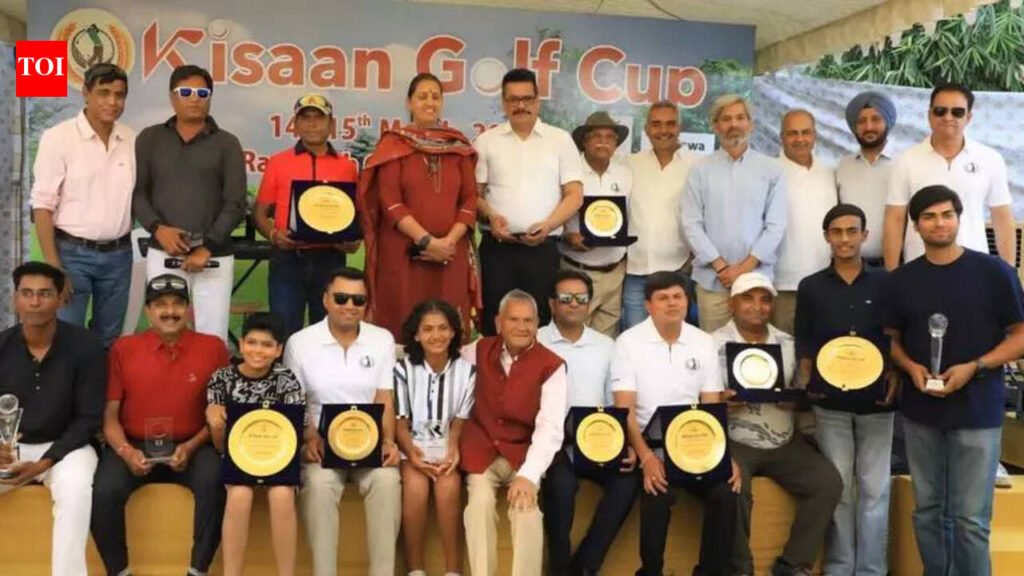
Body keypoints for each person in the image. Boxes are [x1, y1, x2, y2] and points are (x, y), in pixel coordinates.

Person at [884, 185, 1024, 576]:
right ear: (915, 226)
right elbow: (891, 339)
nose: (939, 223)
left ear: (960, 219)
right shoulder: (902, 280)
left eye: (947, 214)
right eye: (929, 217)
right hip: (921, 413)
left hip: (977, 412)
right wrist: (910, 367)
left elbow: (1020, 336)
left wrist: (976, 366)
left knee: (970, 520)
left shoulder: (994, 272)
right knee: (928, 512)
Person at [92, 274, 230, 576]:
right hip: (134, 444)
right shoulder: (124, 348)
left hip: (195, 444)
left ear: (189, 309)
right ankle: (119, 571)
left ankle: (198, 570)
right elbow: (109, 415)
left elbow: (221, 411)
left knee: (216, 480)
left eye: (178, 304)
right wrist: (126, 452)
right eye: (160, 305)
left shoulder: (213, 347)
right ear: (147, 311)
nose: (170, 311)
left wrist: (190, 446)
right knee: (103, 491)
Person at [611, 270, 740, 576]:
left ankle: (709, 572)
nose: (672, 303)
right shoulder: (628, 342)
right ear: (648, 305)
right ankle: (651, 571)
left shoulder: (703, 341)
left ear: (687, 301)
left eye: (677, 296)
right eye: (663, 298)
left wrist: (724, 457)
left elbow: (711, 406)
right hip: (650, 446)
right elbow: (624, 409)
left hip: (696, 446)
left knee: (725, 491)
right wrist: (646, 458)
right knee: (658, 492)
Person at [714, 272, 842, 576]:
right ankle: (740, 569)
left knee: (827, 483)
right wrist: (719, 402)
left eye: (765, 300)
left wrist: (796, 399)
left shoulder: (788, 344)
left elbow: (804, 393)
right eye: (747, 298)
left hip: (783, 439)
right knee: (732, 487)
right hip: (734, 440)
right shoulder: (711, 344)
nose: (757, 306)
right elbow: (697, 397)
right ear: (732, 304)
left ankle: (793, 564)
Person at [794, 204, 896, 576]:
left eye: (852, 231)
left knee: (875, 489)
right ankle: (839, 566)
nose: (844, 239)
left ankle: (871, 570)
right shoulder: (811, 286)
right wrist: (807, 376)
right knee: (840, 489)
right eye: (836, 232)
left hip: (878, 402)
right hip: (830, 403)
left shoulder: (887, 283)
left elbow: (897, 335)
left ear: (865, 235)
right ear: (826, 237)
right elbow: (804, 340)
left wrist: (896, 371)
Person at [285, 267, 401, 576]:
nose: (350, 305)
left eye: (358, 300)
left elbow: (384, 397)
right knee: (319, 486)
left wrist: (388, 441)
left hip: (370, 445)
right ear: (325, 299)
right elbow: (296, 401)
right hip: (322, 447)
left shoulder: (382, 339)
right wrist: (309, 439)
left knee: (387, 482)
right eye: (341, 298)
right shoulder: (300, 343)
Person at [0, 262, 105, 576]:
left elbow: (89, 418)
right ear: (15, 299)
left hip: (68, 448)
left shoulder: (86, 345)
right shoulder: (2, 346)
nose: (35, 302)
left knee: (75, 488)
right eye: (27, 293)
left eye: (44, 294)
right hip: (10, 447)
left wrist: (45, 462)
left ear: (60, 299)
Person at [359, 73, 480, 340]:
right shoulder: (394, 144)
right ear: (409, 103)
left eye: (435, 97)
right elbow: (390, 201)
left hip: (450, 253)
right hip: (403, 252)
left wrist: (447, 242)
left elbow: (470, 199)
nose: (429, 102)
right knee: (404, 319)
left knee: (447, 321)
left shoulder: (458, 147)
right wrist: (426, 241)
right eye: (422, 96)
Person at [133, 64, 247, 342]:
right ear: (172, 97)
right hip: (163, 251)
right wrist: (158, 228)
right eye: (185, 92)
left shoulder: (227, 143)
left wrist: (207, 247)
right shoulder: (149, 138)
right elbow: (137, 193)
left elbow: (235, 202)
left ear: (210, 97)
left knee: (213, 336)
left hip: (214, 256)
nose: (194, 98)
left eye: (202, 93)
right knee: (165, 331)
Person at [538, 270, 639, 576]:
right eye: (566, 298)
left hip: (598, 440)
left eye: (581, 298)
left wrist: (627, 444)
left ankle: (585, 565)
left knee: (627, 481)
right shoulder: (536, 340)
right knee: (560, 486)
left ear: (589, 304)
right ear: (552, 304)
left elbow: (615, 401)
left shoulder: (606, 345)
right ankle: (558, 568)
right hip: (552, 442)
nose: (574, 304)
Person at [460, 289, 567, 576]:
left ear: (538, 324)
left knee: (526, 510)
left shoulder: (553, 366)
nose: (522, 327)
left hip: (522, 455)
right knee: (478, 506)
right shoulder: (476, 351)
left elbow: (550, 427)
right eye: (514, 319)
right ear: (498, 322)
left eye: (528, 321)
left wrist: (529, 475)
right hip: (481, 452)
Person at [30, 63, 134, 347]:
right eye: (104, 92)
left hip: (119, 256)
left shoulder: (131, 139)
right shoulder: (58, 138)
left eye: (119, 94)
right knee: (65, 337)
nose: (112, 102)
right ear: (86, 93)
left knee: (109, 339)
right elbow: (42, 206)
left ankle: (99, 379)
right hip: (71, 255)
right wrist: (54, 266)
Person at [474, 68, 584, 334]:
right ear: (503, 103)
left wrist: (549, 225)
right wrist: (491, 216)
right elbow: (473, 195)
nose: (520, 106)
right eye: (513, 99)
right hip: (498, 250)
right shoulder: (486, 141)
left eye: (526, 98)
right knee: (495, 322)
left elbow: (575, 194)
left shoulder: (560, 140)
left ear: (537, 101)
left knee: (540, 323)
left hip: (543, 250)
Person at [206, 312, 305, 576]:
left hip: (280, 458)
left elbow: (296, 431)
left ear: (278, 350)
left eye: (267, 345)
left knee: (282, 495)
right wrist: (215, 424)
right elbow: (220, 447)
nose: (258, 350)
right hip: (237, 459)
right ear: (241, 344)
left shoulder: (287, 379)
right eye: (251, 342)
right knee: (239, 494)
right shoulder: (221, 378)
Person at [255, 93, 361, 338]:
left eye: (319, 118)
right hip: (287, 260)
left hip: (330, 260)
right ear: (295, 124)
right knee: (284, 331)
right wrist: (274, 235)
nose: (312, 124)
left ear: (331, 124)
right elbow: (260, 213)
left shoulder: (347, 167)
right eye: (305, 118)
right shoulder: (278, 163)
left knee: (328, 333)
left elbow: (355, 214)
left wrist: (353, 240)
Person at [681, 94, 787, 333]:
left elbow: (776, 226)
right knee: (713, 348)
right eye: (726, 119)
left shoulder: (772, 170)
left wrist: (743, 268)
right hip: (713, 282)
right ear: (715, 126)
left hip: (757, 282)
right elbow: (691, 223)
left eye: (740, 118)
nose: (734, 124)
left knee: (755, 349)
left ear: (751, 124)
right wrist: (721, 268)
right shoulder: (699, 170)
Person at [883, 83, 1015, 271]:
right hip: (919, 268)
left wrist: (1009, 273)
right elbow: (894, 219)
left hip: (976, 270)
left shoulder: (990, 159)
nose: (948, 117)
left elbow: (1002, 218)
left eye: (957, 112)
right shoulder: (905, 160)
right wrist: (892, 274)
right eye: (940, 111)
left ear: (968, 117)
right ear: (929, 115)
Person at [394, 300, 476, 576]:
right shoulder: (403, 370)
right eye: (427, 329)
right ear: (416, 335)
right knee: (415, 490)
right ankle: (415, 569)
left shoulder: (467, 372)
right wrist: (412, 454)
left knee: (448, 489)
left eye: (443, 328)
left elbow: (459, 423)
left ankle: (453, 570)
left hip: (446, 450)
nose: (436, 335)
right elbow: (400, 424)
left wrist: (452, 450)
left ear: (453, 332)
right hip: (412, 448)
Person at [623, 101, 699, 330]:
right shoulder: (629, 164)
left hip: (677, 271)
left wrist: (692, 259)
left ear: (679, 127)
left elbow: (704, 215)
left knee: (673, 337)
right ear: (646, 129)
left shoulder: (696, 166)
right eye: (656, 124)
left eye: (670, 124)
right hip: (635, 271)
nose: (663, 130)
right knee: (635, 337)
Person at [560, 111, 632, 337]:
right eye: (597, 136)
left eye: (610, 137)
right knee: (572, 338)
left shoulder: (625, 174)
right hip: (577, 272)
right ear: (584, 141)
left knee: (605, 343)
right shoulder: (570, 173)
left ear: (616, 144)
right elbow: (550, 212)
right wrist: (566, 236)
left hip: (615, 274)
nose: (604, 142)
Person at [773, 109, 836, 335]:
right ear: (782, 137)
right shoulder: (769, 172)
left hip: (827, 281)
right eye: (792, 133)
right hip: (783, 284)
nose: (800, 139)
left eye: (806, 132)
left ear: (815, 135)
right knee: (784, 348)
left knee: (824, 346)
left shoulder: (829, 171)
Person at [836, 91, 897, 267]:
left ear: (887, 122)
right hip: (850, 265)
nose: (869, 126)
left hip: (895, 264)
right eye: (861, 121)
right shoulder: (843, 166)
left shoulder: (903, 163)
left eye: (876, 119)